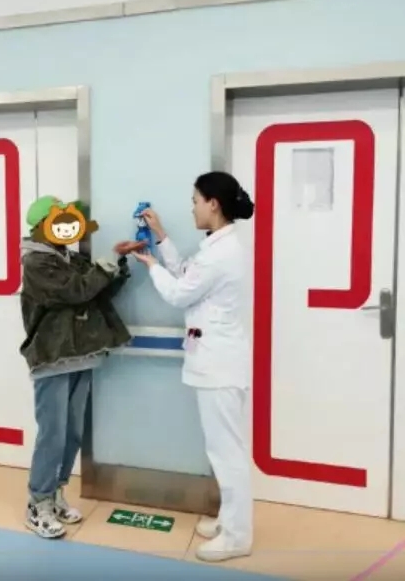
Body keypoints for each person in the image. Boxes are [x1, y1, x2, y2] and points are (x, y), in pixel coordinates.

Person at [133, 171, 254, 562]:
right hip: (217, 362)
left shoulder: (221, 253)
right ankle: (228, 521)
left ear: (212, 204)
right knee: (222, 448)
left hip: (220, 366)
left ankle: (237, 536)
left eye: (195, 201)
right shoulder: (218, 246)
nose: (192, 208)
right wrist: (161, 237)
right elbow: (188, 273)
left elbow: (179, 293)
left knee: (227, 453)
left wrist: (151, 265)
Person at [19, 195, 132, 539]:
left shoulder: (70, 258)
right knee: (52, 433)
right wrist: (104, 267)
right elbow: (75, 291)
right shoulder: (36, 263)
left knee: (71, 432)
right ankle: (37, 503)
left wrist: (118, 263)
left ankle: (55, 494)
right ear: (42, 226)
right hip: (52, 356)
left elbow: (97, 292)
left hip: (81, 353)